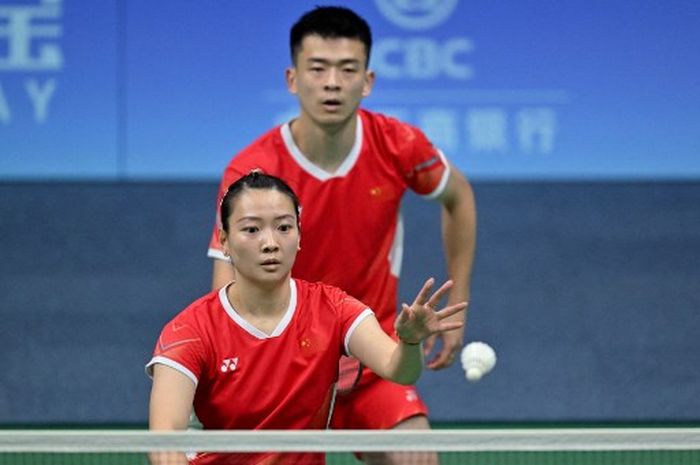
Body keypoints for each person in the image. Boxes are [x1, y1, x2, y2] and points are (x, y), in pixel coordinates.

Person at [207, 6, 476, 464]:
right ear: (293, 79)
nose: (332, 82)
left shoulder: (399, 146)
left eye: (347, 69)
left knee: (418, 458)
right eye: (318, 68)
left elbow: (459, 198)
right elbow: (226, 292)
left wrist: (458, 304)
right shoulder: (254, 172)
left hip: (371, 355)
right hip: (283, 366)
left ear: (367, 81)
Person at [148, 172, 466, 465]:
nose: (270, 243)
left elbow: (399, 370)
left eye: (284, 227)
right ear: (225, 241)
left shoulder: (333, 308)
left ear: (299, 237)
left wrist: (409, 341)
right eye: (251, 229)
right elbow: (165, 439)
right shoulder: (190, 331)